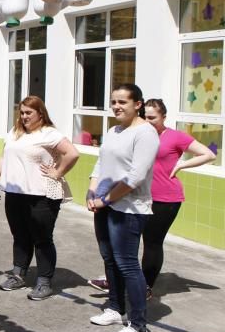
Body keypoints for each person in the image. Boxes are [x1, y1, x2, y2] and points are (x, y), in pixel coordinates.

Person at [88, 98, 216, 296]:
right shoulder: (135, 134)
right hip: (133, 197)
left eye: (153, 118)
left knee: (152, 242)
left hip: (164, 198)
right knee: (123, 242)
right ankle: (115, 280)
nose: (148, 121)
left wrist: (181, 165)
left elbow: (208, 154)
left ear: (164, 117)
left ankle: (146, 286)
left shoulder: (174, 137)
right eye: (144, 117)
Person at [86, 83, 160, 332]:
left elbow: (136, 176)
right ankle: (116, 309)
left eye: (123, 102)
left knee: (127, 263)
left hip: (128, 208)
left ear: (137, 104)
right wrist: (92, 191)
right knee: (110, 260)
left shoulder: (145, 133)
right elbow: (100, 162)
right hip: (105, 205)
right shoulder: (114, 130)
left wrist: (105, 200)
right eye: (114, 102)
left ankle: (139, 327)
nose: (117, 106)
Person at [0, 96, 80, 300]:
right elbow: (4, 157)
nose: (24, 116)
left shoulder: (49, 133)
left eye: (29, 112)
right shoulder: (15, 132)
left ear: (40, 113)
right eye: (22, 112)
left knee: (42, 239)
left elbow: (72, 153)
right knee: (20, 236)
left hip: (42, 196)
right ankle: (18, 275)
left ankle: (44, 282)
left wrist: (57, 172)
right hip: (14, 192)